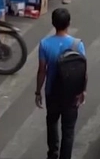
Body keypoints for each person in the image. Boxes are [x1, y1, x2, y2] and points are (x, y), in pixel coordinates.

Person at [36, 8, 87, 159]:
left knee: (52, 123)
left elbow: (42, 71)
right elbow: (83, 71)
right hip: (71, 94)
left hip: (52, 92)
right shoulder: (78, 45)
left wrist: (38, 91)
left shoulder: (45, 44)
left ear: (53, 23)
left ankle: (52, 154)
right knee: (68, 130)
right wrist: (83, 91)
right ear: (69, 23)